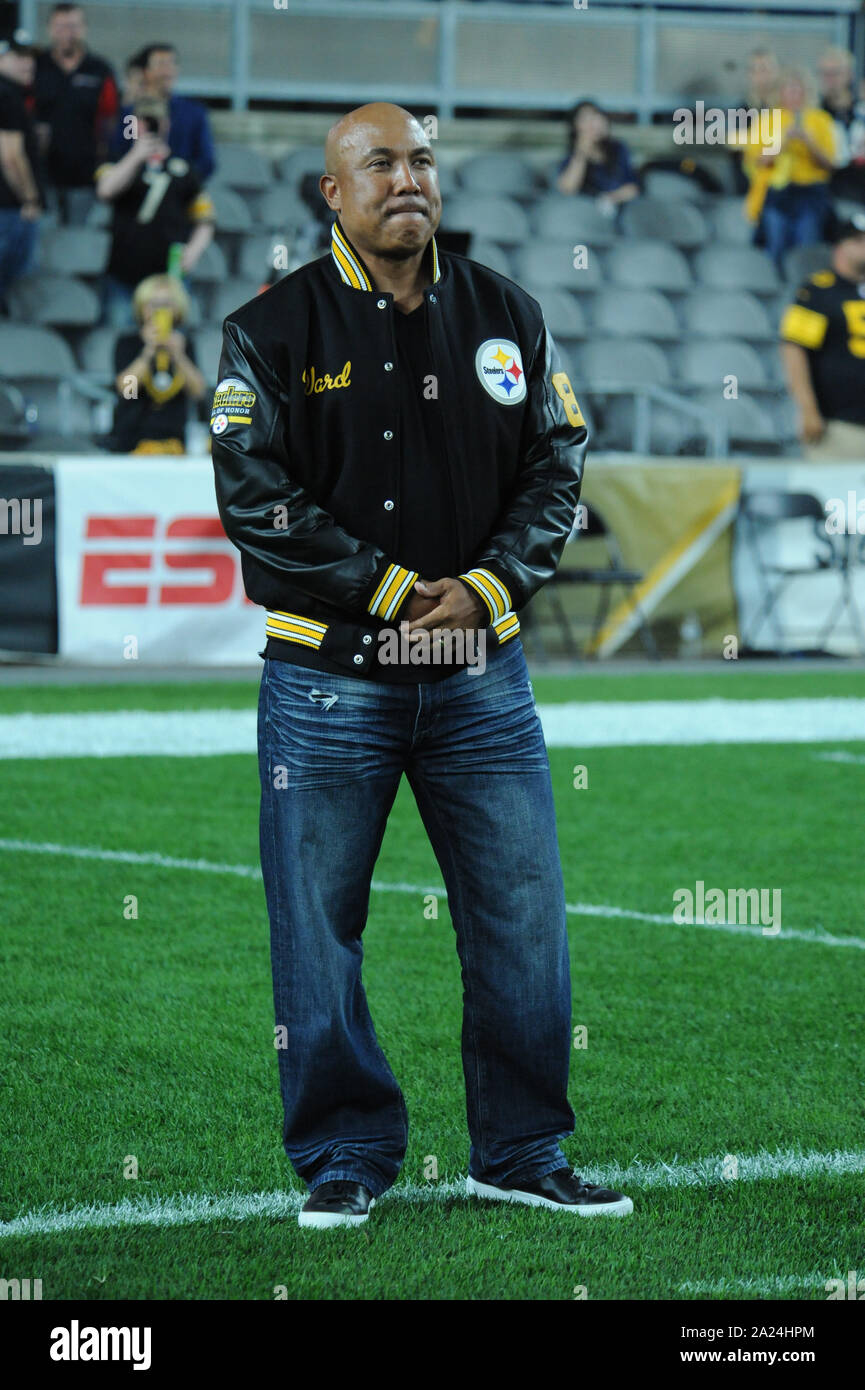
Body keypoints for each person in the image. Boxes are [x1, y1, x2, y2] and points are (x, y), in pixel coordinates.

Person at [211, 101, 633, 1229]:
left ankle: (521, 1148)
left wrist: (486, 590)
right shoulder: (269, 330)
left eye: (422, 161)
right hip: (326, 682)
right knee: (317, 923)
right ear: (331, 196)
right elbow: (256, 500)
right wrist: (396, 590)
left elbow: (558, 465)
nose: (407, 178)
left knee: (520, 912)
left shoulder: (509, 316)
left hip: (480, 678)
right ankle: (344, 1153)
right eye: (378, 163)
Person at [95, 94, 215, 327]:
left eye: (156, 120)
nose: (150, 125)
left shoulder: (184, 169)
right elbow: (105, 191)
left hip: (169, 279)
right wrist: (135, 156)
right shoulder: (117, 162)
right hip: (124, 274)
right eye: (143, 120)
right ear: (132, 123)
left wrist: (193, 252)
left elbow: (206, 218)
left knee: (172, 342)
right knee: (121, 340)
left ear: (167, 124)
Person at [779, 211, 865, 460]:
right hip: (838, 425)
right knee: (838, 498)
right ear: (840, 245)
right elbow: (794, 349)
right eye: (858, 241)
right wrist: (807, 409)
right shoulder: (818, 291)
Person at [33, 3, 118, 220]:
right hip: (40, 174)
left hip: (85, 173)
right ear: (49, 29)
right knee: (44, 239)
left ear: (84, 28)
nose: (66, 33)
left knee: (76, 241)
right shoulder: (35, 66)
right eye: (60, 26)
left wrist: (120, 154)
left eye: (72, 26)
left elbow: (120, 117)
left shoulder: (100, 68)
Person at [107, 273, 205, 454]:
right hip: (131, 442)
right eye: (153, 304)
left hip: (173, 443)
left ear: (177, 309)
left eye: (166, 304)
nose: (159, 311)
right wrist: (147, 352)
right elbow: (126, 390)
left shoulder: (184, 344)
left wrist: (179, 356)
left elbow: (198, 392)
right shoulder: (128, 343)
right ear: (142, 308)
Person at [109, 43, 215, 182]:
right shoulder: (131, 114)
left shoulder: (193, 113)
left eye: (172, 64)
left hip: (179, 193)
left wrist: (181, 182)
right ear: (146, 71)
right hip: (136, 192)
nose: (168, 71)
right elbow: (119, 153)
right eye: (161, 64)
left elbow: (206, 161)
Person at [0, 32, 43, 311]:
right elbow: (10, 156)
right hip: (9, 207)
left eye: (30, 57)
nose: (27, 63)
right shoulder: (6, 95)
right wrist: (29, 198)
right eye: (18, 57)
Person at [555, 100, 639, 215]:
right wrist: (581, 152)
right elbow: (567, 189)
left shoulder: (618, 149)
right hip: (587, 214)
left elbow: (633, 187)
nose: (594, 124)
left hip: (622, 210)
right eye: (586, 119)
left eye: (596, 117)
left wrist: (611, 198)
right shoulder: (573, 158)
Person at [816, 47, 865, 205]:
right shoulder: (813, 113)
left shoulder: (861, 111)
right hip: (826, 191)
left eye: (835, 73)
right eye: (824, 74)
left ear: (849, 75)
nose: (829, 79)